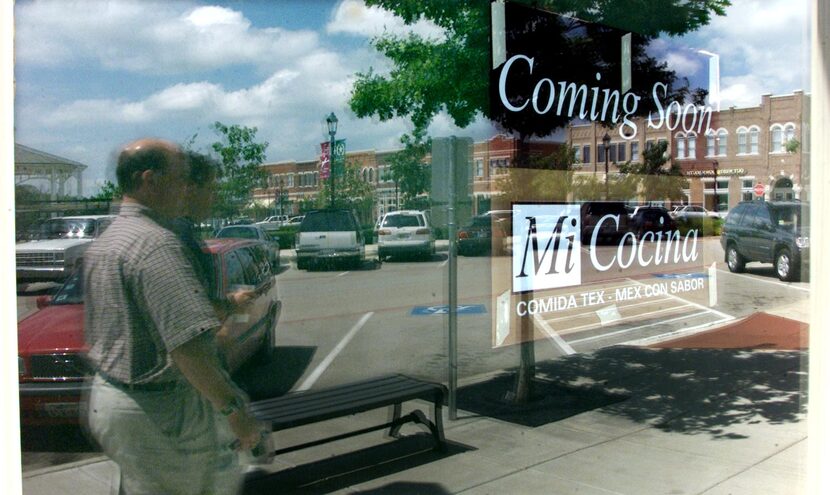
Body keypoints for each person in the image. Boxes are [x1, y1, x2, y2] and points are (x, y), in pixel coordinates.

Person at [83, 139, 264, 494]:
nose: (187, 188)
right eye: (181, 178)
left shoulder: (109, 239)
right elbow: (188, 349)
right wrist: (234, 411)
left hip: (112, 398)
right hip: (161, 410)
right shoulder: (157, 244)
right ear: (150, 180)